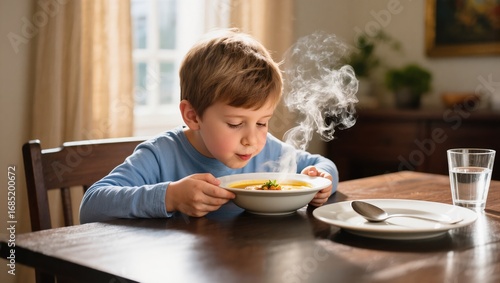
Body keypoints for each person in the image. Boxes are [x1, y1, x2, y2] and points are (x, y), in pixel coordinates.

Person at [79, 29, 338, 223]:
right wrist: (170, 197)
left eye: (262, 122)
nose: (252, 139)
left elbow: (324, 166)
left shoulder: (268, 150)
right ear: (193, 116)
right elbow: (91, 205)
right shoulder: (161, 155)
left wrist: (321, 181)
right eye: (235, 124)